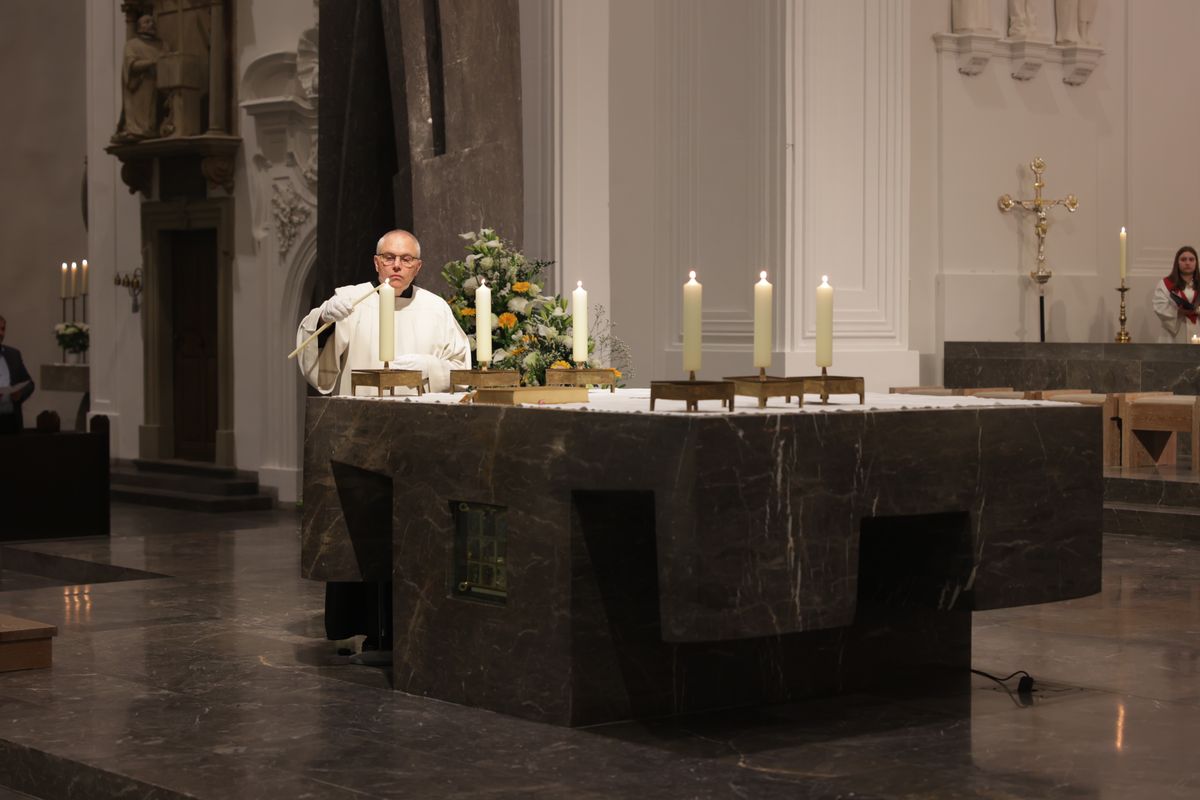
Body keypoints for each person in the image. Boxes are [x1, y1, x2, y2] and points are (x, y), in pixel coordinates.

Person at [296, 229, 471, 658]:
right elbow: (319, 368)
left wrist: (429, 366)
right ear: (376, 262)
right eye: (389, 258)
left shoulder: (435, 309)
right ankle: (362, 626)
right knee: (362, 535)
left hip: (417, 440)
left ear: (418, 267)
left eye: (406, 260)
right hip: (360, 437)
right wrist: (322, 319)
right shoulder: (352, 301)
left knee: (409, 534)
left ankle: (408, 628)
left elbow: (461, 366)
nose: (396, 266)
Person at [112, 14, 164, 142]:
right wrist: (152, 62)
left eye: (152, 21)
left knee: (155, 112)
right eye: (146, 22)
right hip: (140, 86)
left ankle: (153, 129)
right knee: (142, 112)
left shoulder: (162, 45)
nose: (151, 24)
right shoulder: (132, 45)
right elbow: (132, 65)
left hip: (158, 86)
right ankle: (137, 129)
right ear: (139, 27)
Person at [1152, 246, 1200, 343]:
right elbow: (1159, 307)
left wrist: (1197, 310)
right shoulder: (1165, 284)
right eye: (1183, 259)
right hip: (1174, 335)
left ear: (1196, 263)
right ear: (1177, 263)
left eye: (1191, 259)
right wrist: (1178, 311)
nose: (1187, 263)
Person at [0, 315, 35, 434]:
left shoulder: (13, 354)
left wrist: (19, 394)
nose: (1, 333)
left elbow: (29, 384)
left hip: (11, 420)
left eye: (3, 329)